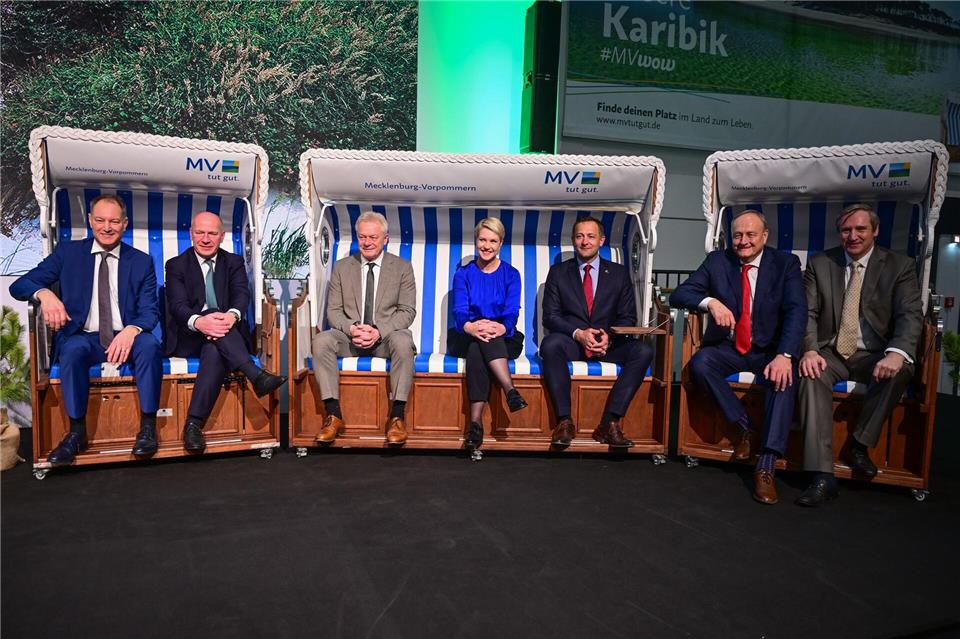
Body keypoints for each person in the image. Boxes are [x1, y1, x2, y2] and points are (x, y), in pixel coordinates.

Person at [9, 194, 162, 463]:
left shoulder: (141, 261)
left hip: (125, 336)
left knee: (149, 345)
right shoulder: (68, 253)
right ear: (90, 221)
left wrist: (132, 330)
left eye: (114, 221)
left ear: (124, 224)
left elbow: (150, 310)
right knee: (72, 349)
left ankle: (148, 429)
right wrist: (44, 293)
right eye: (100, 220)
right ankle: (76, 433)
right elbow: (19, 285)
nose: (107, 227)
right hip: (84, 337)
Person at [671, 210, 805, 504]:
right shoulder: (718, 261)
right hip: (730, 347)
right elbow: (679, 294)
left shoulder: (785, 264)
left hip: (769, 350)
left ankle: (766, 464)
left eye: (750, 235)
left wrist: (784, 354)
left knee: (783, 379)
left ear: (764, 236)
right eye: (737, 235)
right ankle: (745, 428)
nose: (743, 241)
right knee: (700, 364)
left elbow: (796, 311)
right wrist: (710, 302)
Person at [796, 203, 923, 506]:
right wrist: (810, 350)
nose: (852, 236)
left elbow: (909, 315)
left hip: (875, 353)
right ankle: (822, 475)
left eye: (860, 229)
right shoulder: (820, 263)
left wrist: (897, 353)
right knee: (810, 374)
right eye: (846, 230)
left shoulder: (900, 266)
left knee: (902, 369)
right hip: (831, 351)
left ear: (875, 231)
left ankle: (858, 444)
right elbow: (807, 313)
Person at [164, 211, 287, 451]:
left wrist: (231, 316)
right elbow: (177, 306)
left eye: (212, 233)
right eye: (200, 233)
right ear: (191, 234)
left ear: (222, 236)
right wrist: (201, 322)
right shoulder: (176, 265)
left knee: (214, 349)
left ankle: (193, 425)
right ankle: (255, 375)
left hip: (226, 335)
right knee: (211, 315)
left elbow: (242, 294)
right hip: (190, 337)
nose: (205, 239)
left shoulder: (233, 262)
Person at [540, 216, 653, 449]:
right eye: (579, 236)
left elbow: (628, 317)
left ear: (601, 240)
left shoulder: (619, 274)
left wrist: (609, 338)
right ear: (573, 240)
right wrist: (579, 333)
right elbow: (550, 316)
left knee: (643, 351)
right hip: (573, 342)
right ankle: (564, 421)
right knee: (550, 345)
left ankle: (610, 422)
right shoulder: (558, 272)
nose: (585, 241)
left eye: (591, 236)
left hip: (607, 344)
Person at [312, 211, 417, 445]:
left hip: (385, 338)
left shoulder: (402, 268)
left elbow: (407, 311)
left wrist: (378, 330)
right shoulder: (342, 267)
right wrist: (352, 329)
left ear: (385, 239)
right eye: (362, 237)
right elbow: (333, 311)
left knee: (403, 342)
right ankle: (333, 415)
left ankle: (397, 417)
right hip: (351, 338)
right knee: (321, 341)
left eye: (373, 237)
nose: (367, 242)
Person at [448, 218, 528, 450]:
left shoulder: (511, 274)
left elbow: (511, 312)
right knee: (476, 343)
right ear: (476, 241)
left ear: (500, 243)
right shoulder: (463, 274)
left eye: (493, 241)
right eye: (482, 240)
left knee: (481, 346)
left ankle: (475, 425)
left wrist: (501, 327)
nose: (486, 246)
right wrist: (472, 328)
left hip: (503, 336)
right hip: (467, 334)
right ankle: (510, 391)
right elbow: (460, 312)